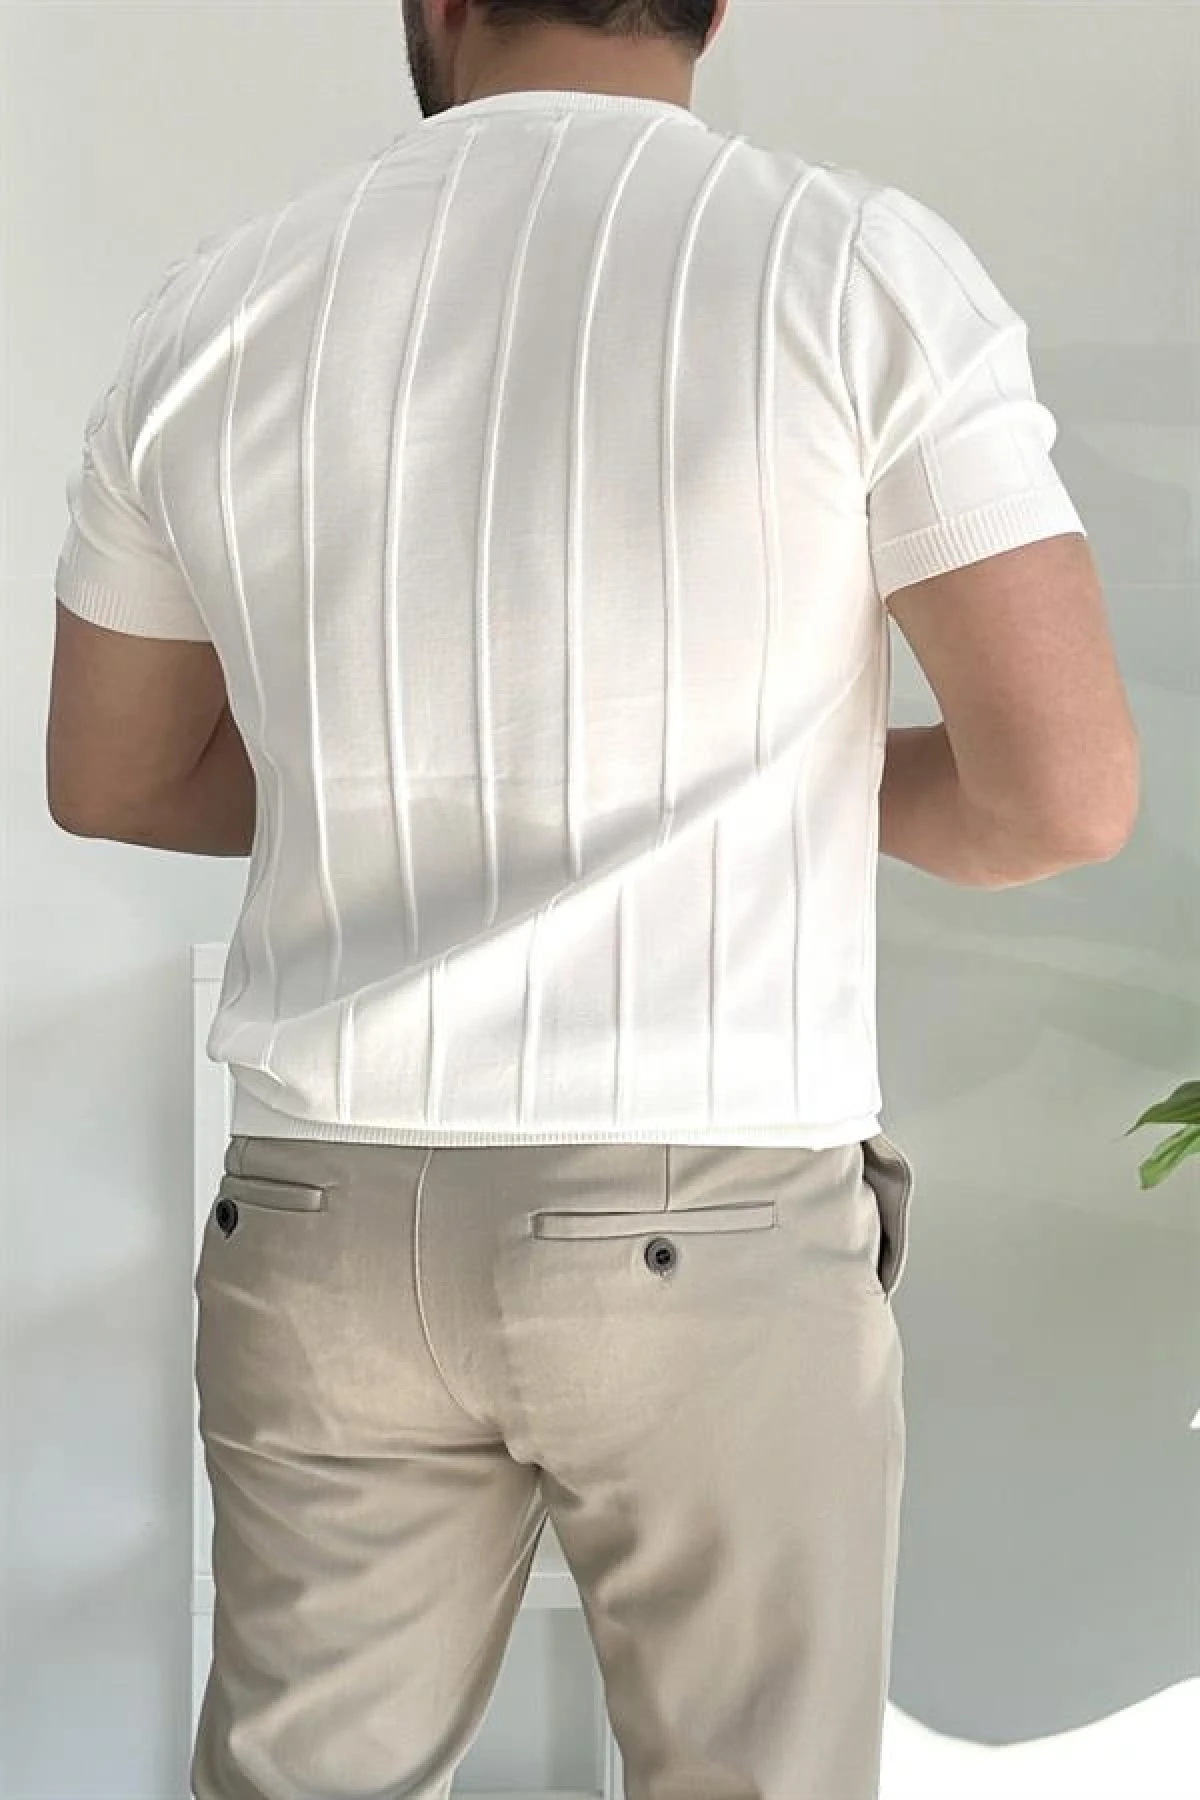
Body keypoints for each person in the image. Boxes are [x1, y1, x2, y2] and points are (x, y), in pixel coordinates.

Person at [47, 1, 1140, 1795]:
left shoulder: (222, 303)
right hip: (706, 1220)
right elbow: (1062, 798)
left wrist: (404, 783)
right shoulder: (849, 269)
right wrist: (742, 782)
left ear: (437, 5)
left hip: (323, 1211)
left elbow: (115, 777)